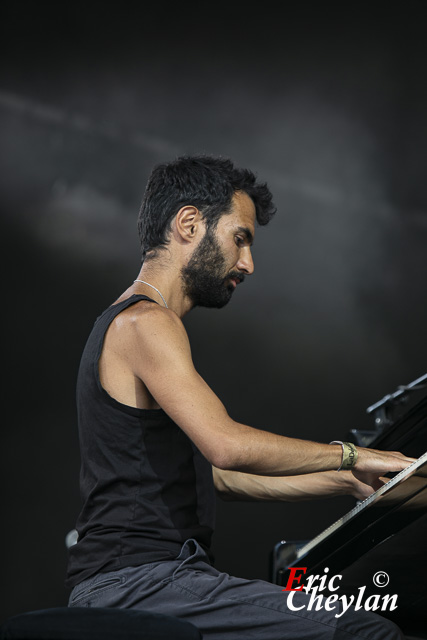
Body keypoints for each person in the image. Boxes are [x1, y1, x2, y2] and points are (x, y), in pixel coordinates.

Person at [66, 155, 412, 639]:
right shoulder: (145, 323)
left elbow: (219, 476)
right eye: (240, 238)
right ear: (189, 224)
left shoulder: (134, 323)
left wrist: (344, 479)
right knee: (366, 632)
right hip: (140, 582)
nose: (248, 263)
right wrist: (352, 452)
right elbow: (226, 445)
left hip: (133, 581)